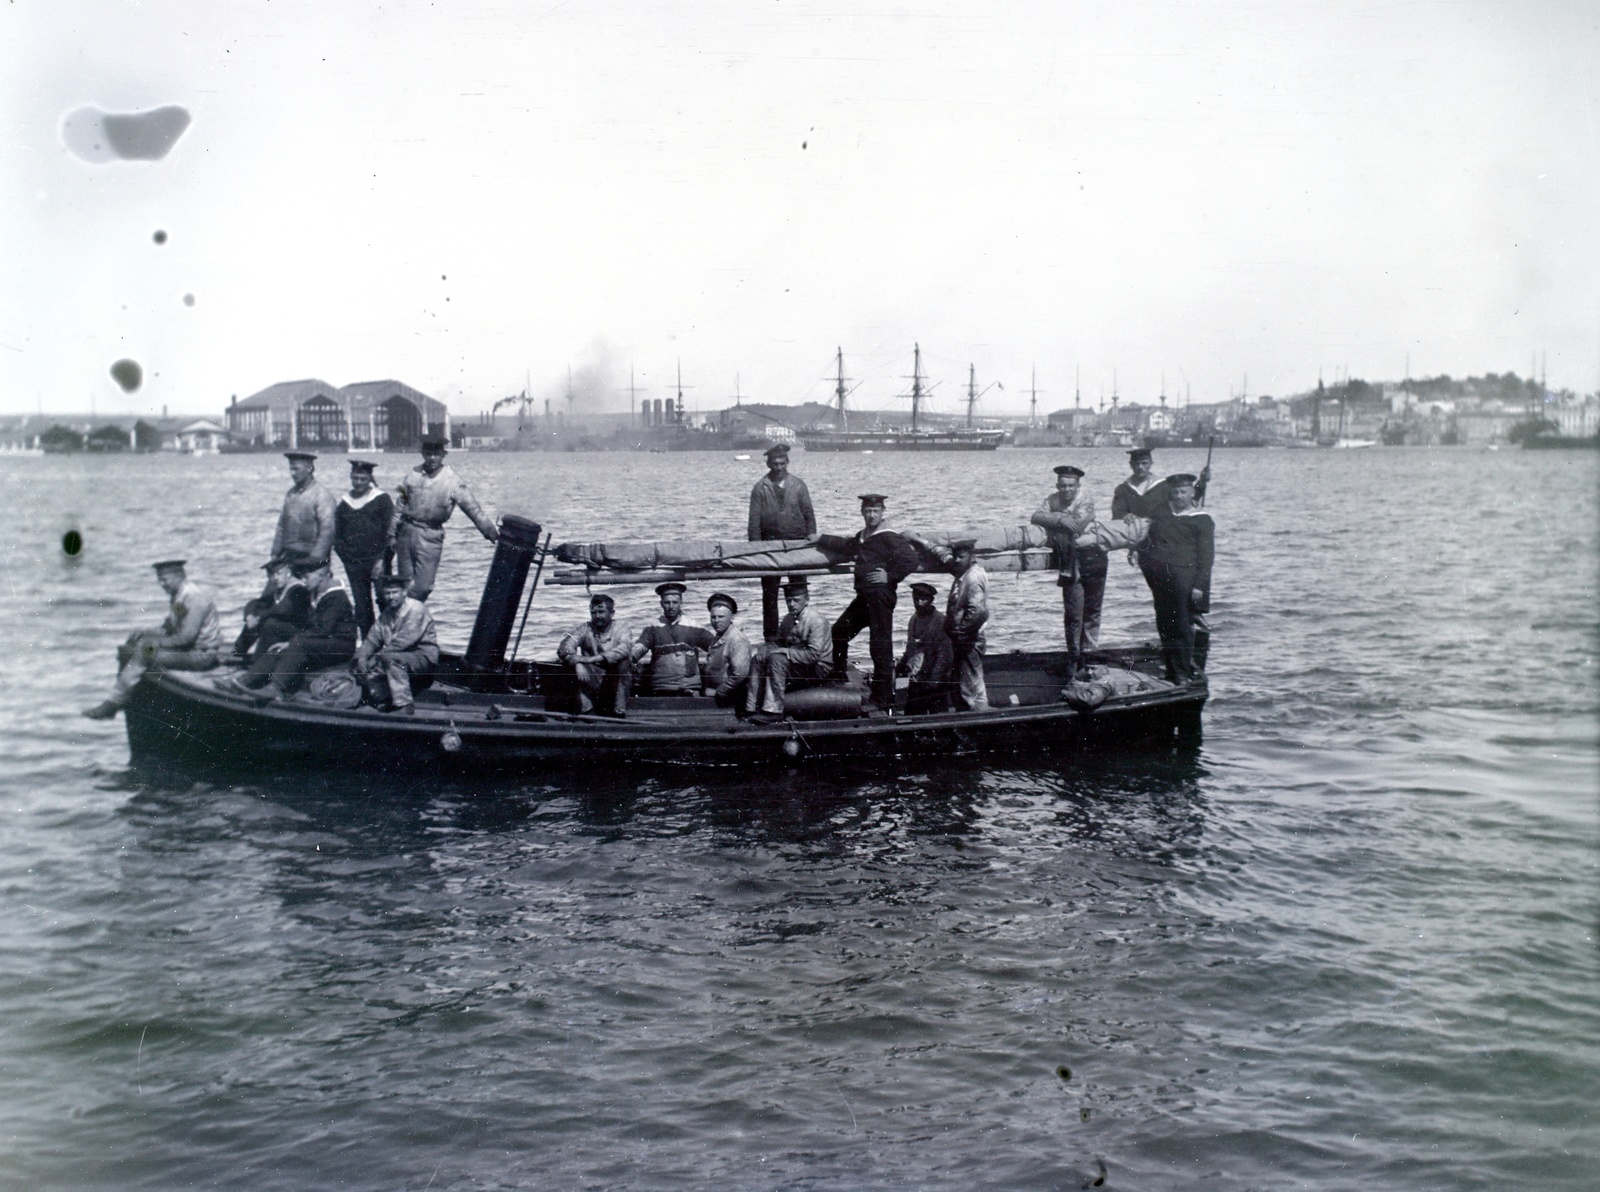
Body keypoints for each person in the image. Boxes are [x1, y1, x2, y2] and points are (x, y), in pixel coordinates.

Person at [818, 493, 920, 713]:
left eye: (876, 511)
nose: (872, 515)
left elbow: (911, 559)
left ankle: (882, 698)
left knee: (880, 645)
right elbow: (846, 546)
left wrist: (890, 576)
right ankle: (838, 676)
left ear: (883, 512)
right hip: (865, 597)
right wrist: (820, 539)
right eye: (868, 511)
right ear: (862, 512)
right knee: (839, 631)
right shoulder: (863, 536)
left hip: (881, 597)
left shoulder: (889, 536)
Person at [84, 560, 222, 719]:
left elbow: (186, 638)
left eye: (164, 579)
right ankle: (126, 697)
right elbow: (170, 628)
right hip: (188, 650)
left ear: (178, 575)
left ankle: (113, 704)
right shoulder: (180, 596)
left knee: (145, 653)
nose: (162, 584)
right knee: (134, 645)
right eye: (160, 580)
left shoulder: (193, 598)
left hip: (200, 655)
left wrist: (156, 643)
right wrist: (145, 633)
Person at [390, 436, 499, 601]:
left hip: (430, 535)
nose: (432, 458)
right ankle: (408, 614)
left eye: (436, 454)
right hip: (406, 532)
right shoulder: (411, 475)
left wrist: (490, 531)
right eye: (428, 454)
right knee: (405, 582)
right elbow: (399, 505)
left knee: (423, 586)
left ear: (443, 454)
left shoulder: (452, 481)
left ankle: (412, 609)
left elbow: (473, 509)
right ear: (422, 453)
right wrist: (391, 534)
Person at [231, 559, 358, 700]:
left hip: (341, 645)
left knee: (298, 644)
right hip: (323, 642)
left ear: (321, 576)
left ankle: (275, 687)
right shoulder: (316, 593)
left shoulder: (336, 598)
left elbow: (323, 630)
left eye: (307, 577)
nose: (304, 580)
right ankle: (245, 680)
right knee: (279, 650)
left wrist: (291, 642)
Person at [1031, 464, 1106, 678]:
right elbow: (1035, 517)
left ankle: (1089, 658)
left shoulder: (1085, 500)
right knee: (1073, 614)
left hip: (1093, 558)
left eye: (1070, 486)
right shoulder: (1052, 499)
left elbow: (1077, 526)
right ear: (1057, 485)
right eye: (1062, 486)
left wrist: (1054, 520)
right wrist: (1061, 519)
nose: (1066, 490)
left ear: (1077, 485)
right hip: (1069, 562)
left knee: (1092, 613)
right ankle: (1074, 659)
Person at [1141, 474, 1214, 683]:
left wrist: (1200, 585)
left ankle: (1181, 672)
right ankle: (1171, 669)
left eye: (1184, 492)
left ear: (1192, 493)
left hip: (1186, 580)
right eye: (1176, 491)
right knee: (1165, 622)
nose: (1180, 496)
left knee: (1182, 625)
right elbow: (1146, 538)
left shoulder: (1202, 520)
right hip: (1161, 579)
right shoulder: (1161, 513)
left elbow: (1207, 558)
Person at [747, 443, 816, 641]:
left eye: (782, 463)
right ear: (769, 464)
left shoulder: (798, 485)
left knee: (799, 590)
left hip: (797, 546)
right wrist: (757, 550)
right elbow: (754, 522)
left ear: (787, 462)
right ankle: (770, 638)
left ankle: (801, 634)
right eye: (775, 464)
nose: (779, 468)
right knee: (770, 594)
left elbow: (809, 514)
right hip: (770, 547)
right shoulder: (760, 488)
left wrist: (811, 538)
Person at [745, 578, 832, 724]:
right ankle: (751, 707)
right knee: (758, 658)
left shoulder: (816, 621)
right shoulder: (788, 619)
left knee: (777, 660)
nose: (791, 604)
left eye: (796, 600)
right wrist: (766, 648)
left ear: (807, 600)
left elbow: (813, 656)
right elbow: (779, 642)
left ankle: (774, 711)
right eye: (788, 600)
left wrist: (783, 651)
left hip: (818, 668)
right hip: (798, 663)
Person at [352, 575, 439, 714]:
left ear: (404, 592)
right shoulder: (386, 615)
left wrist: (376, 659)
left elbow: (403, 642)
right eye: (387, 593)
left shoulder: (416, 609)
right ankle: (383, 699)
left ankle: (405, 704)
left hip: (422, 657)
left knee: (390, 659)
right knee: (359, 666)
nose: (391, 597)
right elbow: (372, 640)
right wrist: (362, 658)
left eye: (395, 592)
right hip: (395, 656)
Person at [334, 459, 395, 634]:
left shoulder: (381, 499)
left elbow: (391, 534)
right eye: (355, 478)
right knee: (362, 607)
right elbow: (337, 536)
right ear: (350, 477)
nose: (359, 483)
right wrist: (347, 559)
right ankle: (368, 643)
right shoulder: (345, 504)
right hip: (354, 564)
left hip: (378, 561)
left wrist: (382, 560)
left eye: (363, 479)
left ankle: (391, 640)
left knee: (385, 600)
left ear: (370, 478)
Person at [629, 582, 714, 695]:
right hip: (661, 685)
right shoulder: (652, 627)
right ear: (661, 604)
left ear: (681, 603)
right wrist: (630, 657)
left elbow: (715, 647)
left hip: (690, 686)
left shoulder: (694, 626)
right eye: (667, 602)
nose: (671, 606)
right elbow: (640, 647)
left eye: (675, 602)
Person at [556, 592, 632, 716]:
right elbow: (565, 647)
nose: (597, 616)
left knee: (624, 663)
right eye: (593, 612)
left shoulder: (622, 629)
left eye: (601, 612)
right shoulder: (585, 629)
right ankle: (587, 710)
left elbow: (624, 649)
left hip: (613, 682)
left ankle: (619, 710)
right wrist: (578, 663)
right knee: (571, 665)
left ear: (611, 613)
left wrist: (588, 660)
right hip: (592, 678)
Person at [232, 555, 311, 661]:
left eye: (279, 573)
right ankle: (238, 652)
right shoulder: (279, 590)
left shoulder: (299, 589)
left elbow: (284, 609)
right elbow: (256, 603)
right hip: (283, 629)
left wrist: (260, 617)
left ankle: (257, 660)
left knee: (269, 623)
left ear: (288, 573)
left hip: (300, 631)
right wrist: (250, 616)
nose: (275, 578)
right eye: (272, 575)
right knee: (255, 618)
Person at [944, 538, 990, 712]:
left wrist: (960, 633)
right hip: (964, 639)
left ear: (972, 557)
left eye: (961, 557)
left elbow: (978, 612)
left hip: (969, 639)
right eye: (955, 557)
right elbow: (944, 557)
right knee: (963, 685)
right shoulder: (964, 573)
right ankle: (967, 714)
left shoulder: (972, 578)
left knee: (972, 689)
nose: (956, 560)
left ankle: (979, 718)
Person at [270, 451, 338, 566]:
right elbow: (281, 525)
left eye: (296, 469)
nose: (292, 473)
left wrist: (315, 558)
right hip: (289, 556)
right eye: (291, 469)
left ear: (310, 469)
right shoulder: (291, 494)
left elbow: (327, 530)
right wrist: (275, 554)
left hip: (313, 559)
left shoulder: (322, 495)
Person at [897, 581, 954, 715]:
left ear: (931, 600)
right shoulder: (913, 619)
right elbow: (910, 651)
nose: (919, 603)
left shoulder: (940, 621)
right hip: (916, 679)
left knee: (938, 717)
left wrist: (933, 681)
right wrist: (899, 667)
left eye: (923, 599)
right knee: (911, 716)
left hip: (935, 681)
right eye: (915, 599)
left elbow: (945, 656)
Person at [1110, 447, 1209, 521]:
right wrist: (1125, 516)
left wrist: (1202, 481)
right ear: (1131, 465)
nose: (1140, 467)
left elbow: (1187, 498)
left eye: (1144, 463)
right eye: (1136, 464)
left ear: (1151, 463)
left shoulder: (1163, 485)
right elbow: (1117, 513)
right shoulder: (1123, 489)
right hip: (1135, 534)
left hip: (1161, 533)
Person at [701, 592, 752, 710]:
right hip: (714, 692)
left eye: (721, 617)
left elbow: (739, 674)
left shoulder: (737, 640)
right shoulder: (718, 637)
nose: (716, 621)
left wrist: (719, 692)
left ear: (731, 618)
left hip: (729, 697)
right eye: (713, 617)